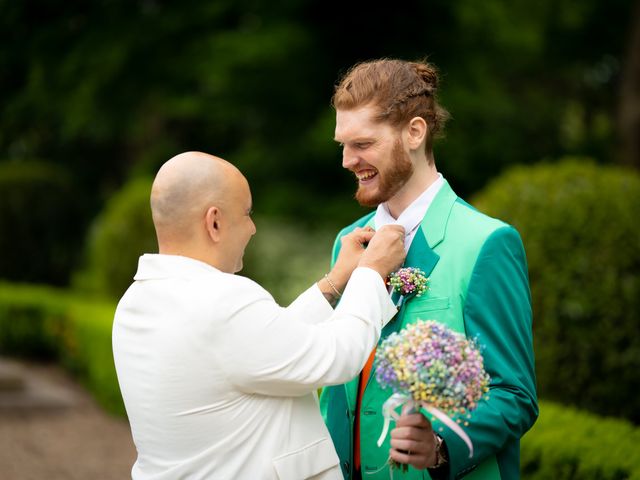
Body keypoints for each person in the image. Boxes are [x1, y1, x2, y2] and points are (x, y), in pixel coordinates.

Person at [112, 151, 408, 479]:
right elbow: (337, 356)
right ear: (214, 222)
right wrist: (371, 270)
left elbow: (261, 348)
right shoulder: (223, 300)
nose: (252, 228)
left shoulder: (134, 303)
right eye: (247, 213)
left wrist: (334, 282)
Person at [319, 59, 538, 480]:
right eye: (342, 145)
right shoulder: (348, 244)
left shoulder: (487, 243)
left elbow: (515, 395)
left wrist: (439, 446)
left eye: (362, 143)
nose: (347, 160)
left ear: (415, 132)